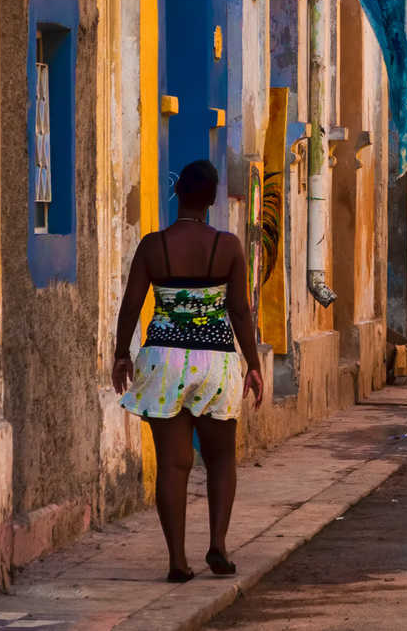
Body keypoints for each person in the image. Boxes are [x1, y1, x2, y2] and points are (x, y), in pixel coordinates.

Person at [112, 160, 264, 582]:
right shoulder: (228, 246)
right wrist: (253, 365)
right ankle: (217, 544)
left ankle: (177, 560)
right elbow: (239, 311)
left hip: (163, 359)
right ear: (213, 197)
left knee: (173, 465)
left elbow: (131, 305)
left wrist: (121, 354)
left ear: (177, 192)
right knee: (220, 459)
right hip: (215, 360)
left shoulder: (152, 246)